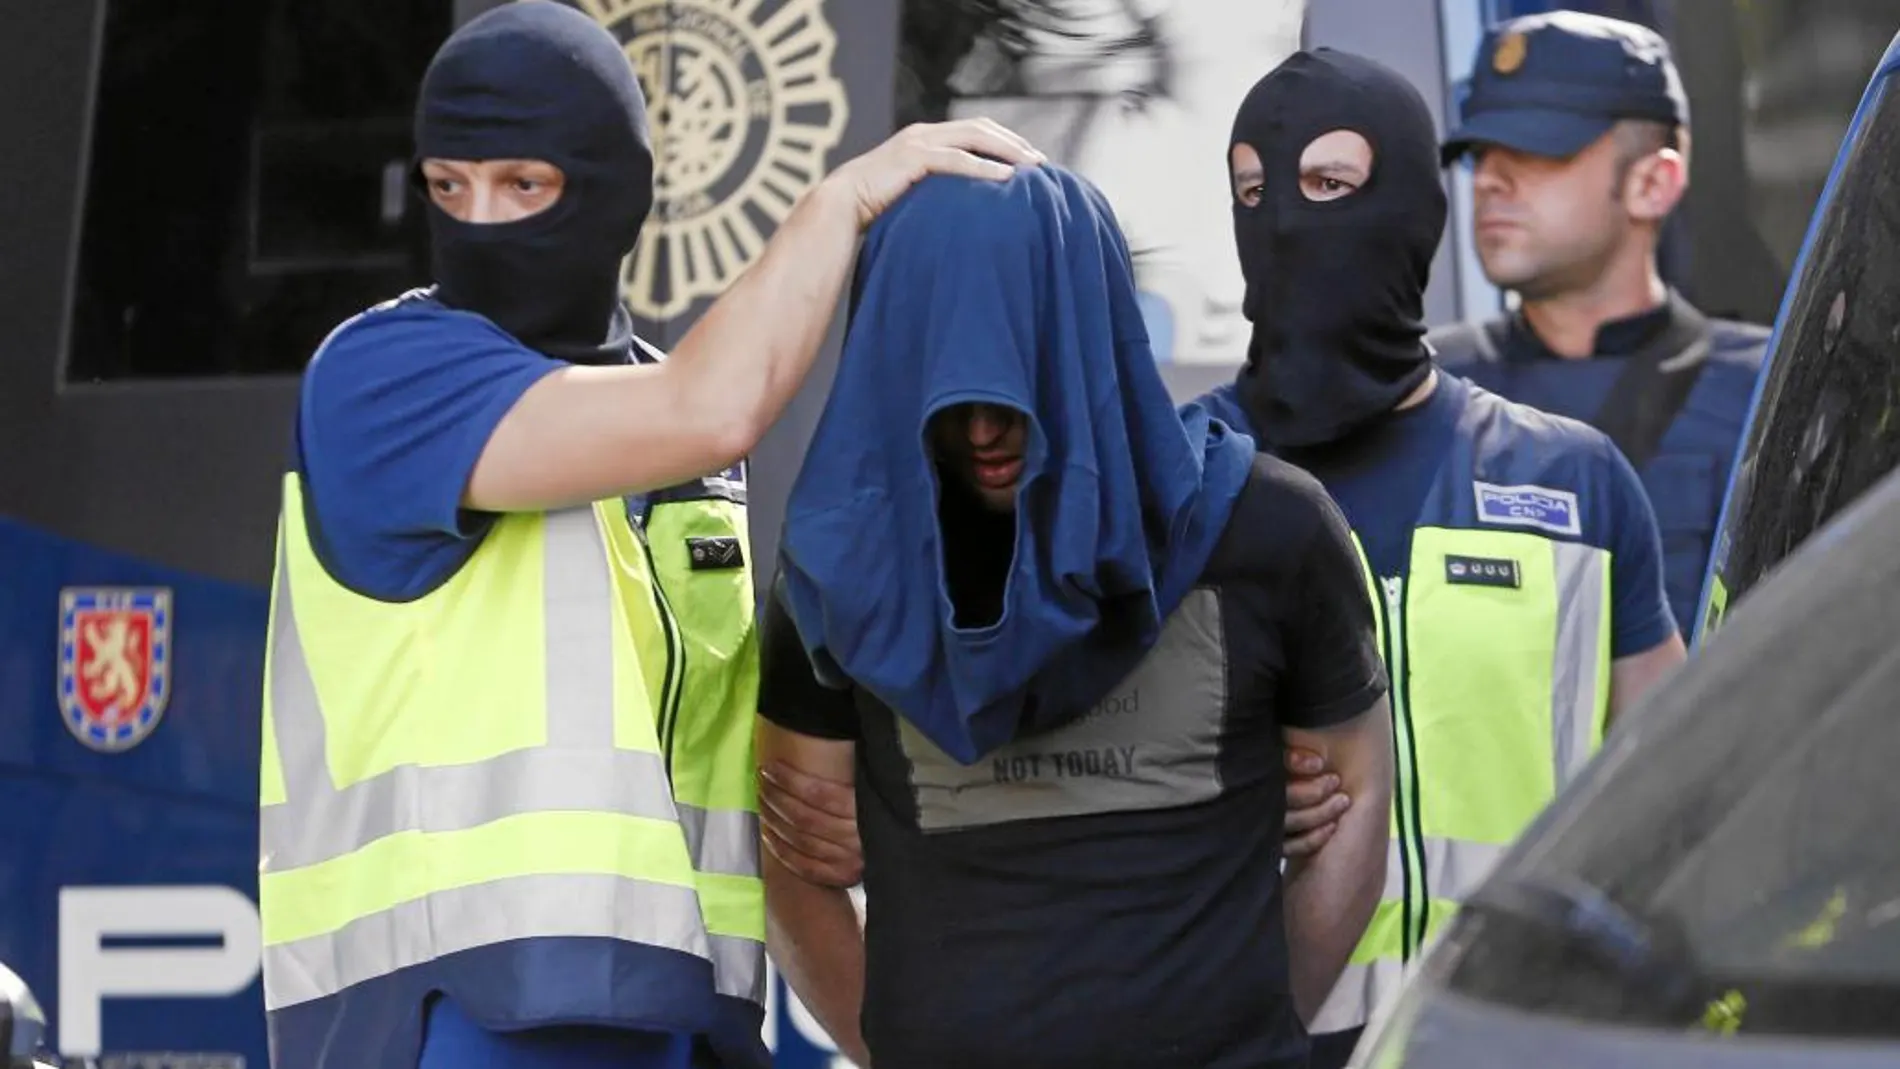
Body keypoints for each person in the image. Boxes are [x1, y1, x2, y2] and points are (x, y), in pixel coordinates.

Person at [253, 4, 1043, 1069]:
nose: (480, 223)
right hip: (451, 1021)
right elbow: (710, 404)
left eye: (522, 185)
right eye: (450, 186)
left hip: (678, 1021)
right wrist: (845, 199)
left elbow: (719, 780)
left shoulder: (673, 436)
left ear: (615, 193)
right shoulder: (382, 375)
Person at [759, 164, 1392, 1069]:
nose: (985, 431)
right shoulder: (840, 573)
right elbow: (796, 870)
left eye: (1018, 387)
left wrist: (1251, 1033)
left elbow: (1358, 800)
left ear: (1089, 337)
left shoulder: (1270, 529)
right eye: (953, 394)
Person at [1191, 48, 1691, 1068]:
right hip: (1261, 1046)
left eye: (1330, 184)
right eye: (1253, 191)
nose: (1284, 220)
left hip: (1527, 1041)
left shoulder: (1573, 486)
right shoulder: (1172, 480)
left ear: (1413, 207)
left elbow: (1681, 795)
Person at [1428, 10, 1768, 634]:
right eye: (1480, 152)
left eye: (1535, 148)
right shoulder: (1426, 392)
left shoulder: (1771, 395)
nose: (1491, 180)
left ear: (1653, 183)